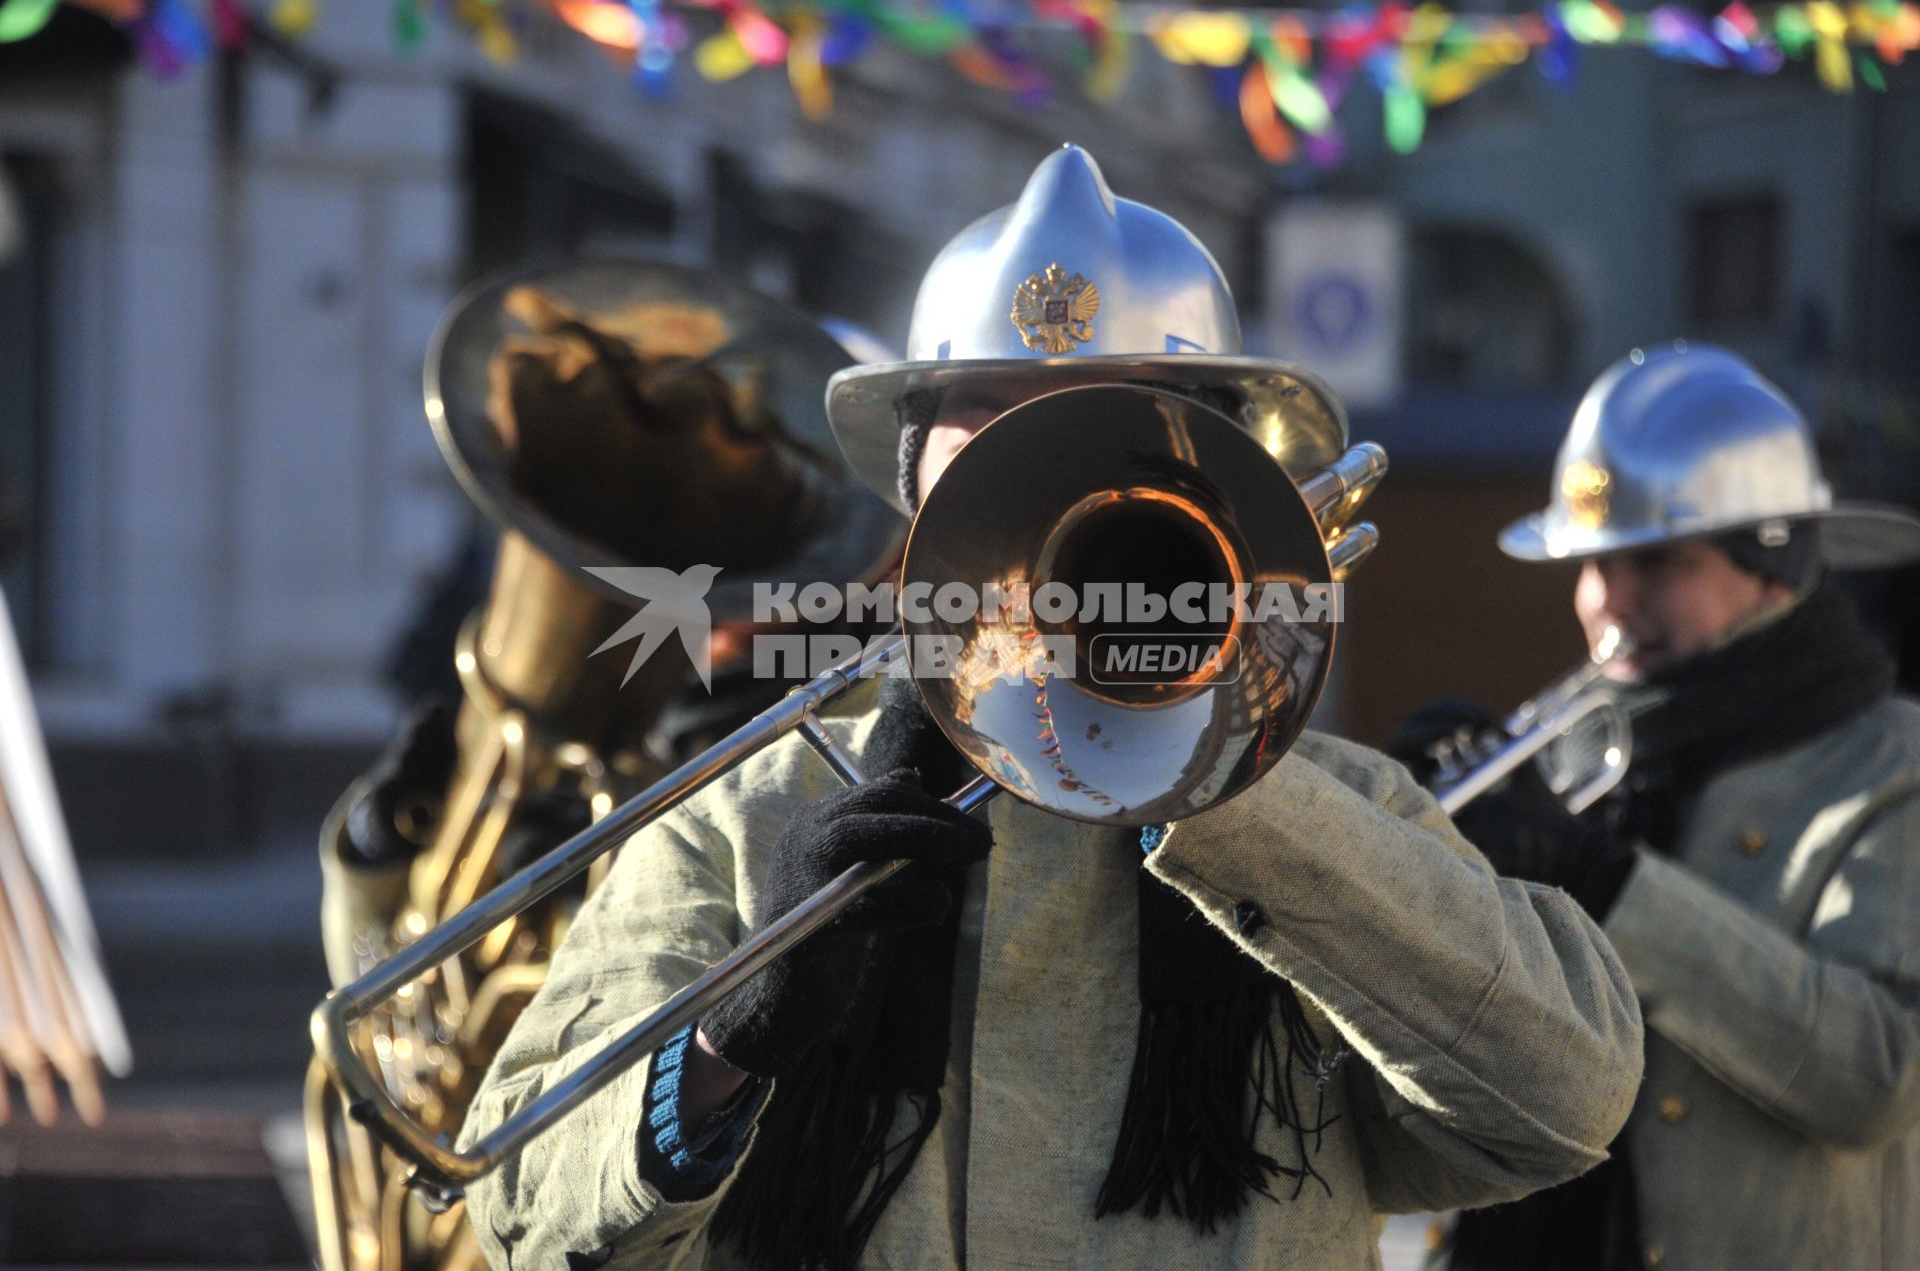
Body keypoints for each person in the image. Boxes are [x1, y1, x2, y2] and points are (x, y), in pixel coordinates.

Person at [458, 146, 1643, 1271]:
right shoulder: (752, 810)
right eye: (1000, 434)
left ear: (1214, 482)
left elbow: (1563, 1101)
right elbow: (515, 1209)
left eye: (1104, 428)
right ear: (919, 489)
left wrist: (1231, 801)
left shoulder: (1337, 813)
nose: (1053, 486)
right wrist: (726, 1043)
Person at [1415, 344, 1920, 1270]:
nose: (1609, 603)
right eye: (1591, 564)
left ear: (1774, 557)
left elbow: (1880, 1074)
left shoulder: (1892, 761)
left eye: (1653, 562)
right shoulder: (1577, 749)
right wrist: (1411, 849)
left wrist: (1608, 885)